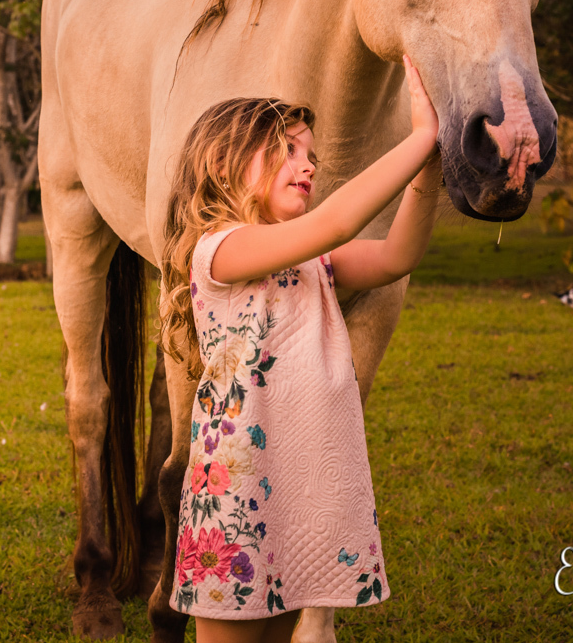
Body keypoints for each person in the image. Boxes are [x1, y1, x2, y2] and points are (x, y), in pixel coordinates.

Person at [159, 57, 442, 643]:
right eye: (289, 149)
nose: (307, 165)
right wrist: (419, 137)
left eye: (310, 155)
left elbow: (396, 257)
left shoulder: (312, 262)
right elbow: (336, 222)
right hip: (236, 494)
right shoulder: (221, 250)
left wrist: (429, 168)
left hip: (298, 485)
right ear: (223, 162)